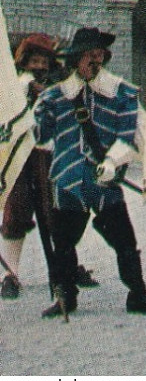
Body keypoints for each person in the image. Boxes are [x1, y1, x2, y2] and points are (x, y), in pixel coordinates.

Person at [30, 26, 146, 318]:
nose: (94, 60)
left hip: (104, 183)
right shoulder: (54, 97)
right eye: (88, 55)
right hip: (67, 181)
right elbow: (40, 137)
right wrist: (29, 110)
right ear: (75, 60)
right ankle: (66, 297)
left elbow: (132, 135)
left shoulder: (122, 93)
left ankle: (138, 295)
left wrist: (114, 161)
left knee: (124, 240)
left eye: (98, 54)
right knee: (63, 244)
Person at [2, 33, 101, 300]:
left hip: (49, 155)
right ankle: (9, 275)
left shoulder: (60, 86)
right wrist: (25, 92)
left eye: (44, 60)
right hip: (20, 155)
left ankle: (65, 269)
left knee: (56, 212)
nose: (39, 65)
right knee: (16, 210)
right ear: (24, 61)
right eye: (34, 59)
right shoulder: (13, 86)